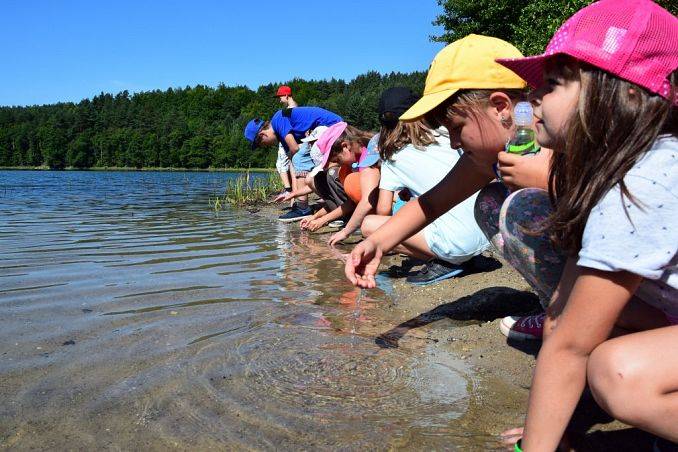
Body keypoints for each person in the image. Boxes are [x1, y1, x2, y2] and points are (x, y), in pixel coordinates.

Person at [489, 1, 676, 449]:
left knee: (620, 374)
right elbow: (562, 318)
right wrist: (550, 432)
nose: (532, 97)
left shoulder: (644, 184)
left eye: (551, 84)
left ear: (628, 94)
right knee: (597, 316)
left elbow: (571, 347)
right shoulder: (615, 173)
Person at [344, 34, 545, 290]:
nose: (453, 143)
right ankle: (552, 300)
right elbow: (432, 202)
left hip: (602, 256)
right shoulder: (485, 159)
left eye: (457, 128)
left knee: (518, 204)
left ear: (500, 107)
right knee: (490, 200)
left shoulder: (555, 139)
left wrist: (545, 179)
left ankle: (578, 313)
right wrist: (377, 243)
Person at [358, 87, 489, 285]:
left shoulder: (393, 158)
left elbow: (383, 210)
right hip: (486, 233)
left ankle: (446, 260)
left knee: (369, 225)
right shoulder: (447, 134)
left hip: (457, 246)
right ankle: (462, 255)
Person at [244, 106, 342, 222]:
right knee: (301, 163)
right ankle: (310, 206)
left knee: (300, 158)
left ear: (262, 135)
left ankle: (307, 208)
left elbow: (295, 148)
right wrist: (292, 194)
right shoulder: (281, 136)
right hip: (322, 131)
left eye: (261, 144)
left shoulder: (278, 119)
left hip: (333, 126)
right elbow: (293, 165)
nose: (264, 146)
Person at [299, 122, 375, 232]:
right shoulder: (356, 160)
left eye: (337, 160)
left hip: (382, 209)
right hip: (371, 206)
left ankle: (360, 221)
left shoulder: (368, 160)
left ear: (345, 146)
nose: (337, 163)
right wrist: (316, 217)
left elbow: (359, 202)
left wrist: (346, 231)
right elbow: (350, 202)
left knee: (350, 180)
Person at [273, 85, 298, 201]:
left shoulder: (289, 109)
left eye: (280, 96)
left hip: (287, 140)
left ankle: (288, 191)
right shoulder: (296, 107)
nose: (279, 99)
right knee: (293, 168)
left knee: (281, 165)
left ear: (287, 95)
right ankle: (293, 197)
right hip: (293, 140)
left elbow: (287, 126)